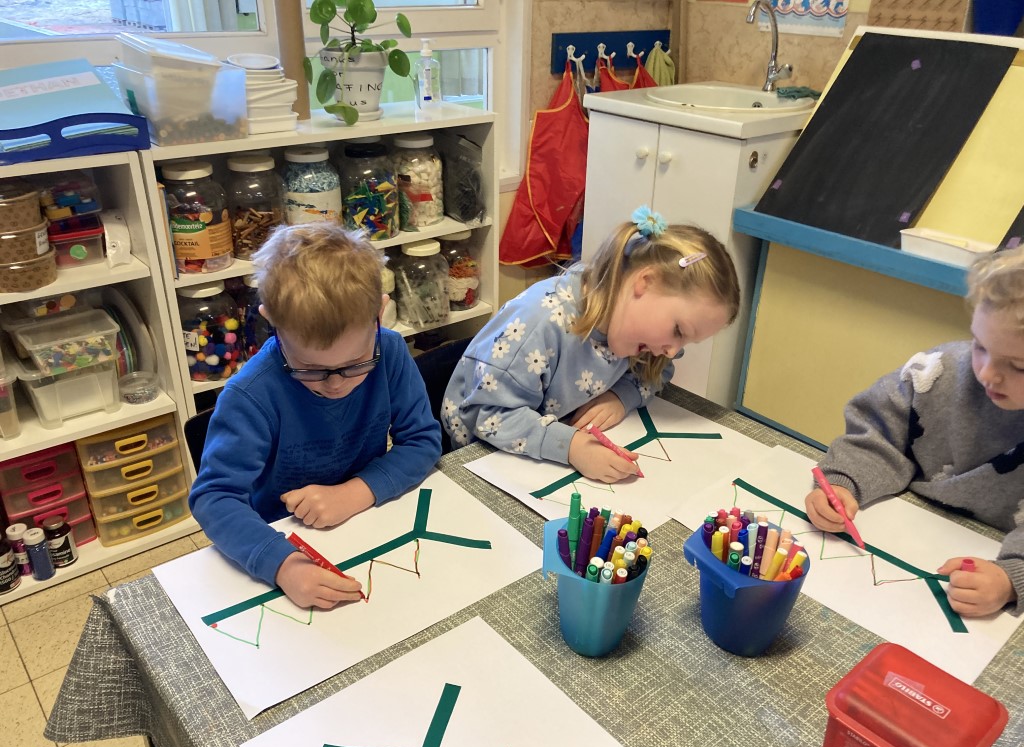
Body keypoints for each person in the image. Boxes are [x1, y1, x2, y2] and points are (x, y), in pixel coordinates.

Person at [189, 222, 441, 610]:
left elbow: (423, 441)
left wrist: (355, 492)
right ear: (272, 321)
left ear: (379, 312)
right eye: (310, 368)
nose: (336, 383)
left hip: (365, 522)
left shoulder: (390, 352)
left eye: (356, 363)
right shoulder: (250, 395)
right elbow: (214, 497)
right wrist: (283, 566)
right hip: (284, 540)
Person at [441, 206, 740, 482]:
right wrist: (572, 447)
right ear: (645, 282)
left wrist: (622, 397)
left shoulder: (641, 335)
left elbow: (658, 370)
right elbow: (488, 415)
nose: (673, 350)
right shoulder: (541, 322)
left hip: (539, 452)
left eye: (686, 340)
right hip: (478, 461)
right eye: (678, 330)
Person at [805, 246, 1024, 618]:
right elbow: (877, 434)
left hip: (989, 563)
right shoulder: (937, 372)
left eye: (1018, 365)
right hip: (901, 531)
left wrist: (1011, 579)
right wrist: (844, 482)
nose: (987, 373)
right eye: (980, 346)